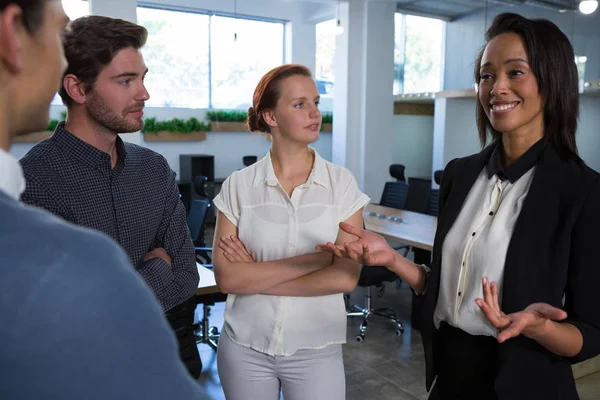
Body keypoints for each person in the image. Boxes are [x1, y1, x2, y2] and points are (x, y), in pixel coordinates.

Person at [318, 13, 600, 400]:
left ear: (553, 82)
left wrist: (539, 328)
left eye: (515, 72)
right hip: (449, 376)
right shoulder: (460, 174)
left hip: (523, 382)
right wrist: (394, 261)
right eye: (486, 76)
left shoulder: (582, 190)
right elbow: (451, 289)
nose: (496, 88)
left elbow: (591, 334)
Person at [0, 1, 207, 398]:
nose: (145, 93)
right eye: (126, 80)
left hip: (176, 359)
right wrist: (152, 271)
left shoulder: (154, 169)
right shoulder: (33, 181)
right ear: (78, 88)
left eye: (143, 78)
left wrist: (110, 291)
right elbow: (61, 324)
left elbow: (185, 274)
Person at [213, 64, 369, 400]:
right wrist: (318, 259)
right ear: (270, 116)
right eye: (300, 104)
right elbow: (227, 279)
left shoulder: (342, 184)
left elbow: (344, 278)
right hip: (244, 347)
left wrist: (254, 275)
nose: (315, 112)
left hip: (316, 348)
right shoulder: (238, 186)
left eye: (315, 102)